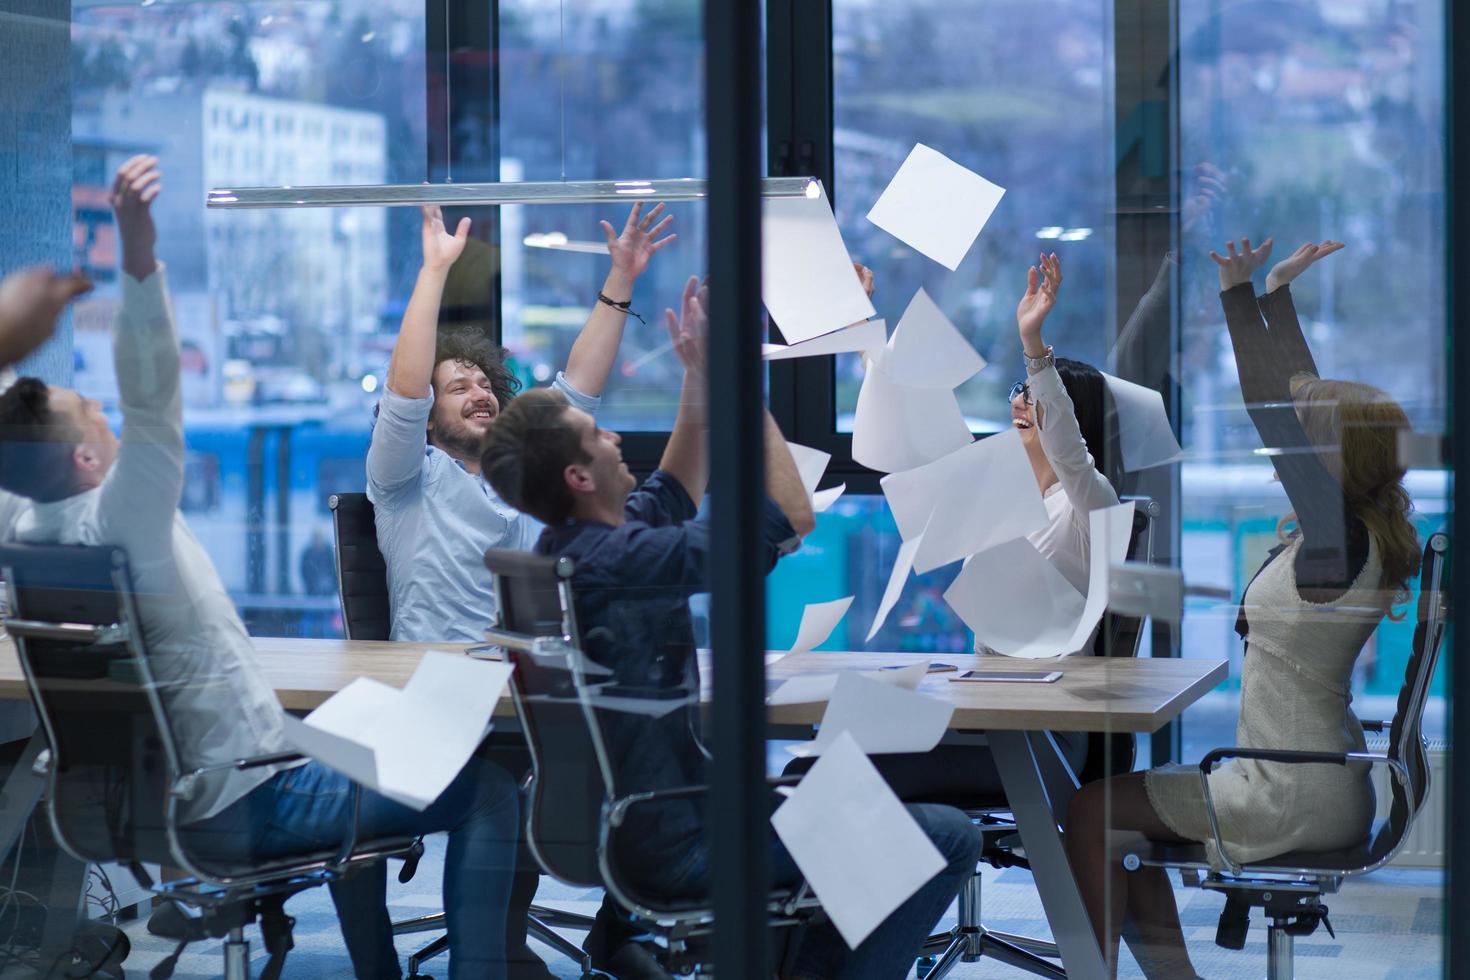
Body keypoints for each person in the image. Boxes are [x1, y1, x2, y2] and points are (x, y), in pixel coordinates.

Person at [0, 156, 522, 980]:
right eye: (90, 412)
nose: (105, 410)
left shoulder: (25, 524)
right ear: (90, 457)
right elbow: (154, 393)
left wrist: (8, 342)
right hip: (239, 799)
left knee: (358, 743)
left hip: (135, 807)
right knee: (489, 790)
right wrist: (139, 257)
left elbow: (21, 436)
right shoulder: (125, 518)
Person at [481, 277, 983, 980]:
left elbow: (679, 482)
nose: (617, 436)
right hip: (682, 838)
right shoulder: (619, 559)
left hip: (645, 824)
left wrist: (701, 375)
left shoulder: (580, 549)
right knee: (947, 839)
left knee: (844, 801)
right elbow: (791, 516)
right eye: (599, 437)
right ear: (579, 476)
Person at [1064, 237, 1420, 978]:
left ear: (1330, 461)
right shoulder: (1362, 532)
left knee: (1091, 811)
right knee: (1118, 816)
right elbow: (1304, 403)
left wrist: (1240, 295)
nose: (1290, 447)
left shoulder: (1336, 539)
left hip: (1284, 790)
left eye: (1308, 444)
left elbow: (1276, 413)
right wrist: (1276, 294)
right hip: (1318, 778)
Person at [367, 200, 675, 976]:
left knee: (653, 752)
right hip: (440, 704)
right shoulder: (409, 482)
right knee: (509, 782)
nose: (478, 393)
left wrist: (619, 280)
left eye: (485, 383)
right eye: (456, 386)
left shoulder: (534, 479)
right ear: (430, 420)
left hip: (534, 695)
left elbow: (580, 395)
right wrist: (435, 273)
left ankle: (622, 930)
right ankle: (494, 957)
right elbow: (403, 394)